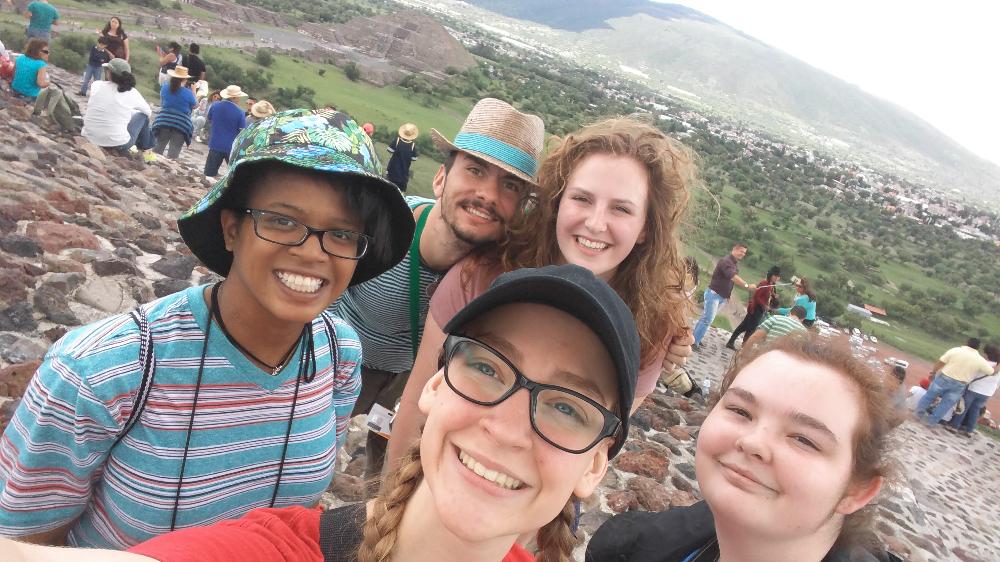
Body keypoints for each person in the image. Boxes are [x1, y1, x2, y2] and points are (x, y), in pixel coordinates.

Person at [1, 264, 637, 562]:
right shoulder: (283, 550)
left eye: (566, 407)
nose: (505, 425)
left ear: (595, 468)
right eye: (488, 369)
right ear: (433, 388)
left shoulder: (337, 354)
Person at [0, 109, 415, 549]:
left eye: (342, 233)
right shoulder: (101, 371)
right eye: (282, 221)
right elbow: (25, 546)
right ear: (231, 228)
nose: (313, 253)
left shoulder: (339, 353)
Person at [388, 117, 696, 474]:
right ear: (557, 204)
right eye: (582, 199)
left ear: (645, 228)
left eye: (621, 209)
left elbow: (593, 449)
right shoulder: (481, 276)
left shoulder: (651, 322)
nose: (596, 223)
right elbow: (417, 403)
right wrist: (389, 507)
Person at [332, 97, 545, 477]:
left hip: (407, 383)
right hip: (339, 363)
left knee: (382, 477)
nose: (488, 195)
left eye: (510, 185)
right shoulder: (381, 225)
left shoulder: (496, 277)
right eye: (475, 171)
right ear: (440, 178)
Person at [587, 334, 897, 562]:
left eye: (803, 439)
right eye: (741, 411)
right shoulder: (630, 547)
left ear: (857, 491)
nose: (752, 442)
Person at [81, 58, 155, 161]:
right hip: (118, 144)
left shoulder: (96, 85)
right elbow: (148, 112)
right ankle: (145, 150)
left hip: (89, 136)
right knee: (142, 116)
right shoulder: (132, 92)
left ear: (109, 73)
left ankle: (144, 149)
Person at [916, 338, 1000, 428]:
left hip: (944, 378)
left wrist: (933, 372)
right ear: (978, 348)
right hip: (960, 384)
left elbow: (941, 362)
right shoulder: (979, 359)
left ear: (967, 343)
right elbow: (992, 372)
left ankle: (917, 415)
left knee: (929, 396)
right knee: (946, 404)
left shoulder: (955, 350)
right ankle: (931, 422)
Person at [692, 243, 756, 347]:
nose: (743, 254)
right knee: (707, 319)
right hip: (714, 295)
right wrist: (747, 286)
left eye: (744, 253)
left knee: (706, 318)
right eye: (741, 251)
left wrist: (728, 295)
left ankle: (695, 338)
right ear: (734, 249)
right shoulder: (726, 262)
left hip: (721, 297)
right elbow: (733, 277)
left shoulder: (734, 264)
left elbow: (729, 281)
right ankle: (694, 342)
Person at [946, 344, 1000, 436]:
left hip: (974, 389)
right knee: (975, 411)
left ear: (987, 354)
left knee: (963, 408)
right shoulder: (997, 367)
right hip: (987, 393)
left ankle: (954, 426)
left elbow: (971, 375)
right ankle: (969, 430)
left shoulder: (982, 363)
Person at [726, 265, 780, 350]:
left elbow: (767, 295)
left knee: (744, 327)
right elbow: (757, 296)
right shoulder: (764, 283)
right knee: (749, 329)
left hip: (760, 309)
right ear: (771, 275)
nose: (777, 278)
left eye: (778, 277)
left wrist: (774, 296)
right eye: (776, 276)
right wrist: (764, 305)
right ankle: (742, 347)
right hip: (756, 309)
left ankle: (732, 343)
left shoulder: (771, 285)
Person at [151, 65, 197, 160]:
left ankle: (152, 163)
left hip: (164, 120)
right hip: (181, 124)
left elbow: (163, 103)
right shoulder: (188, 93)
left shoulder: (164, 87)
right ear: (184, 79)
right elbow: (195, 105)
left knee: (158, 147)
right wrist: (194, 91)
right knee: (174, 152)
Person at [204, 84, 248, 177]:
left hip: (215, 144)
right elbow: (242, 130)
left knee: (208, 174)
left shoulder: (215, 106)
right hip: (231, 148)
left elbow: (209, 119)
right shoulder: (240, 112)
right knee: (233, 176)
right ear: (235, 98)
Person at [741, 305, 807, 349]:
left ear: (790, 312)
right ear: (803, 319)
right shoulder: (805, 333)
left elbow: (756, 336)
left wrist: (744, 351)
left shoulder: (776, 318)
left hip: (764, 356)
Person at [386, 122, 419, 192]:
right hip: (403, 175)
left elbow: (389, 150)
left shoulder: (397, 141)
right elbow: (414, 158)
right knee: (399, 193)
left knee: (387, 190)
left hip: (392, 171)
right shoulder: (413, 146)